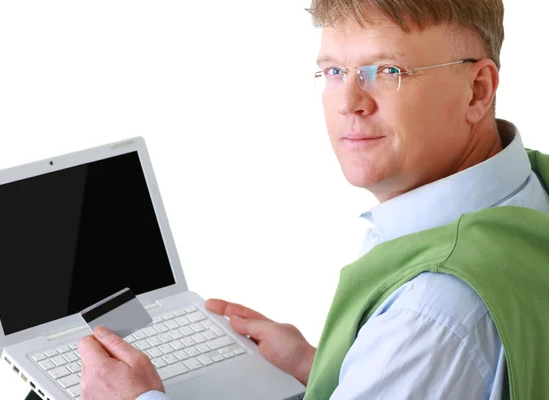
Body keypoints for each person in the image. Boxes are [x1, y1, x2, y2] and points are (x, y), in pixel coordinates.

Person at [78, 0, 549, 398]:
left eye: (387, 70)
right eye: (334, 71)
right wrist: (323, 365)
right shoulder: (529, 188)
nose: (349, 101)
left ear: (477, 90)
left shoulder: (429, 312)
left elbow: (436, 335)